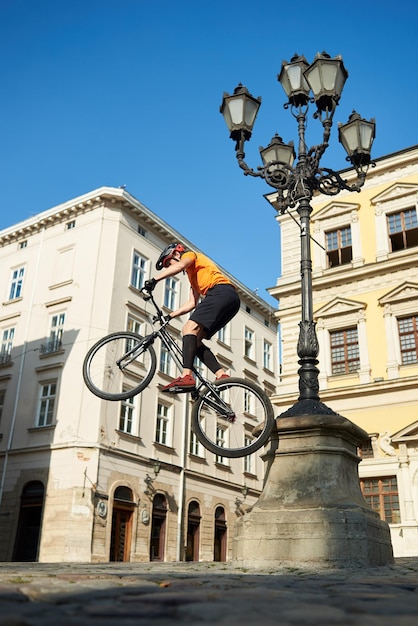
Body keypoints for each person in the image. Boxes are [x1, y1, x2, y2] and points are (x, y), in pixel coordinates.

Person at [144, 243, 240, 392]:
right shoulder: (193, 277)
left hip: (220, 292)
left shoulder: (189, 256)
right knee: (195, 341)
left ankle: (186, 375)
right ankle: (221, 375)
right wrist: (170, 315)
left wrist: (154, 280)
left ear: (176, 254)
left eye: (169, 263)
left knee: (188, 328)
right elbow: (192, 303)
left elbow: (180, 265)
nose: (169, 267)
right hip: (231, 300)